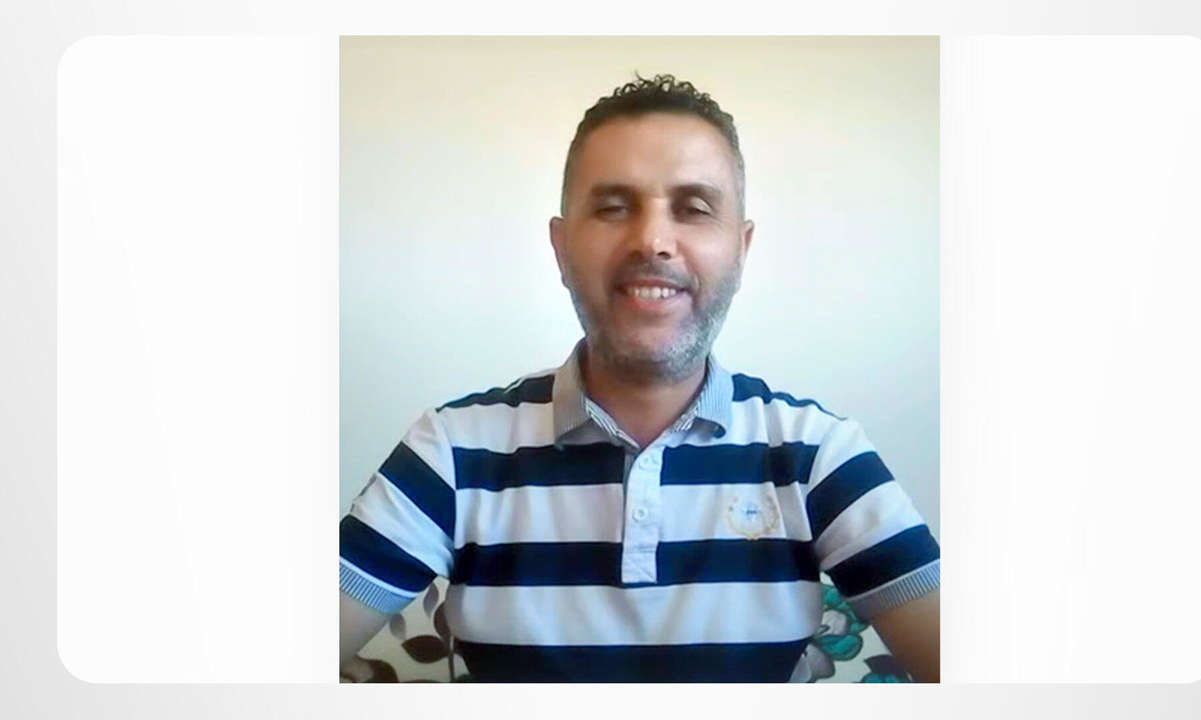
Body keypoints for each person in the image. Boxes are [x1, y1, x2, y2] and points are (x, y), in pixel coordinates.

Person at [338, 74, 941, 682]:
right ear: (561, 248)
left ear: (741, 249)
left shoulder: (819, 454)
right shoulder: (450, 452)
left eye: (694, 208)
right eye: (613, 207)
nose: (652, 241)